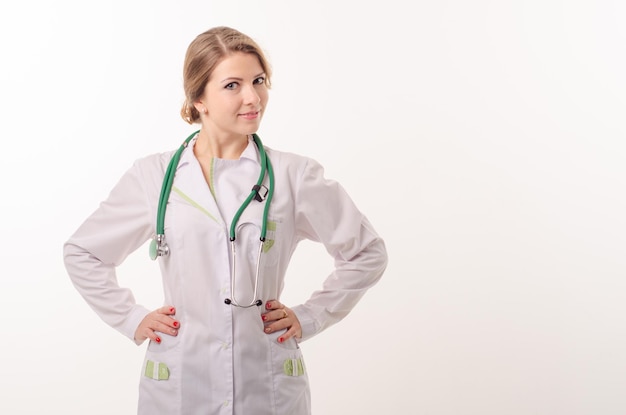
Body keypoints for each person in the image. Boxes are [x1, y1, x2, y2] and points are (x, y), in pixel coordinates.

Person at [63, 26, 387, 415]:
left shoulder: (293, 176)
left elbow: (367, 253)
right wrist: (132, 318)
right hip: (181, 382)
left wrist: (311, 316)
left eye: (259, 81)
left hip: (266, 384)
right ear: (199, 98)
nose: (253, 97)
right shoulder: (154, 177)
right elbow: (83, 253)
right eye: (233, 85)